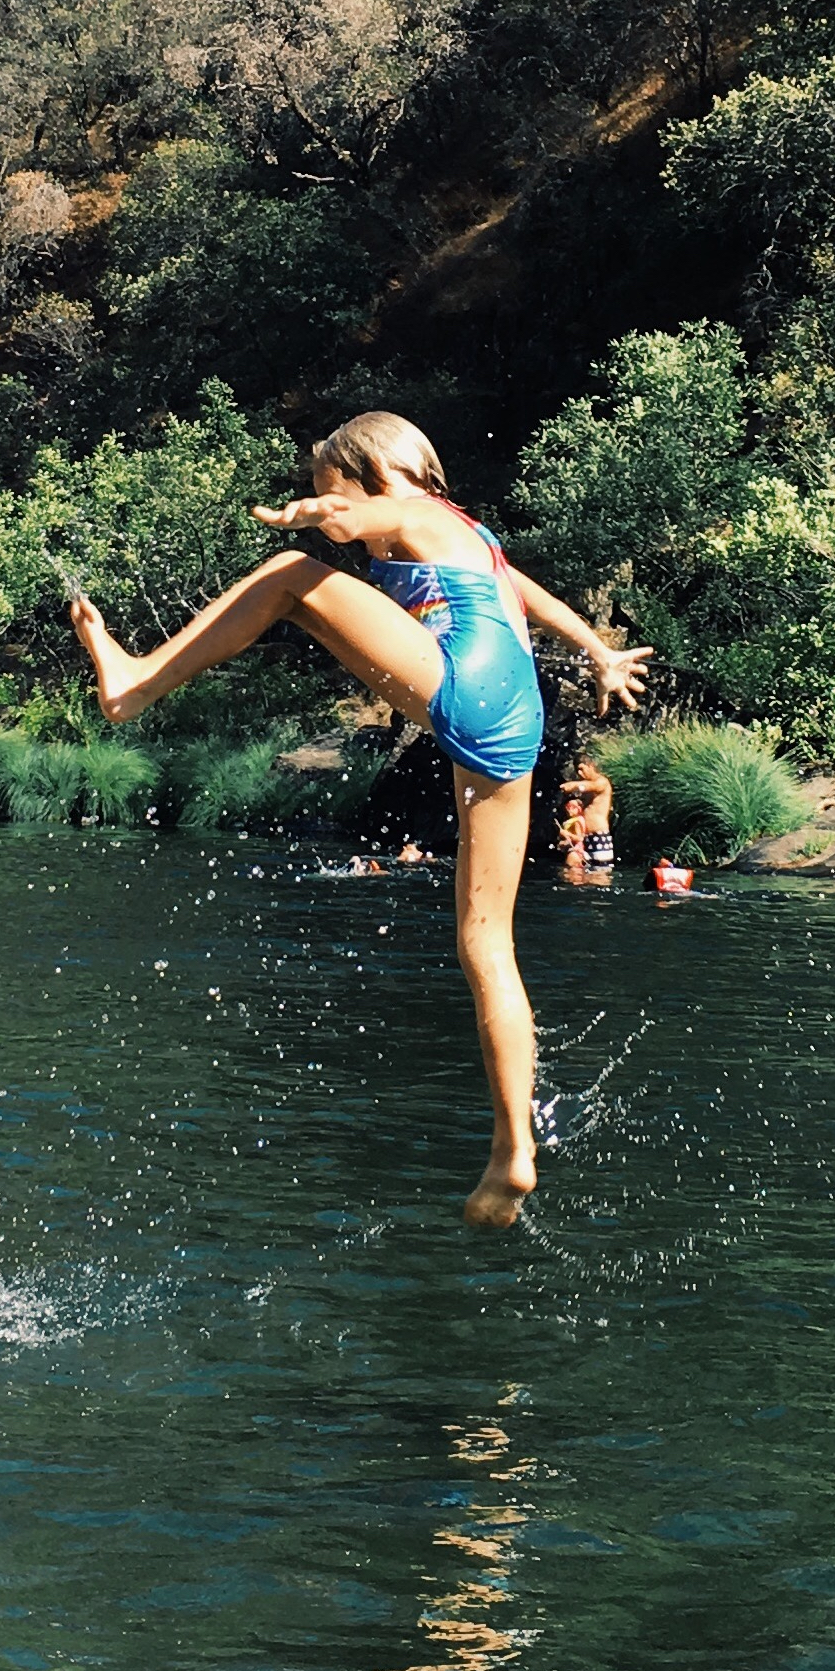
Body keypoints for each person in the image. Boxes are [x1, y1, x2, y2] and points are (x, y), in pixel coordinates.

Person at [69, 409, 651, 1226]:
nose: (349, 533)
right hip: (516, 712)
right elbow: (522, 590)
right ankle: (511, 1151)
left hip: (468, 678)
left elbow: (368, 516)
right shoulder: (470, 534)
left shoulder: (409, 509)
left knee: (288, 578)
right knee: (487, 943)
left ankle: (133, 682)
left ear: (373, 469)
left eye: (331, 485)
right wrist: (596, 647)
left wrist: (311, 516)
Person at [561, 752, 616, 873]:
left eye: (582, 769)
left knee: (600, 876)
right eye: (577, 771)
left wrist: (573, 785)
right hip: (584, 838)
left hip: (599, 837)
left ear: (591, 766)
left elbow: (592, 786)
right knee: (571, 869)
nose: (579, 774)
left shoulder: (602, 782)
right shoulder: (586, 789)